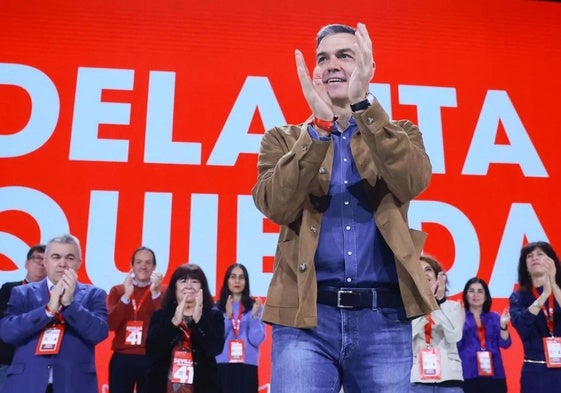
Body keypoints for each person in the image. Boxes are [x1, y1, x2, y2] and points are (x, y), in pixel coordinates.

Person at [251, 22, 437, 393]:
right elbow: (274, 204)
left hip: (383, 318)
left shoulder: (400, 132)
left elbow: (412, 180)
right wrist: (319, 129)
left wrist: (363, 106)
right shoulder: (283, 139)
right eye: (324, 58)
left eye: (344, 56)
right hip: (306, 320)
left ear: (368, 68)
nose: (331, 64)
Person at [0, 234, 108, 393]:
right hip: (27, 383)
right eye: (56, 257)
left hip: (74, 383)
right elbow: (8, 333)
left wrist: (70, 305)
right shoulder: (22, 293)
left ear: (79, 263)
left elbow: (98, 333)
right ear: (45, 262)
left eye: (70, 258)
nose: (62, 263)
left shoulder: (94, 294)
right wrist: (47, 310)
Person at [142, 263, 225, 393]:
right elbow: (153, 351)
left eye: (195, 281)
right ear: (174, 287)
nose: (189, 286)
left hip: (203, 387)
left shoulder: (213, 316)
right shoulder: (161, 316)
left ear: (202, 287)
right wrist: (174, 323)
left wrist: (199, 322)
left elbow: (214, 349)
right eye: (183, 281)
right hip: (163, 386)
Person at [107, 246, 165, 393]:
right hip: (122, 357)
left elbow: (165, 326)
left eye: (148, 262)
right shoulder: (118, 290)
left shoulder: (163, 292)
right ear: (131, 266)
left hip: (151, 357)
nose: (143, 266)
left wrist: (155, 295)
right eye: (139, 262)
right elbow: (111, 324)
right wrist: (126, 297)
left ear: (154, 267)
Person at [509, 241, 561, 392]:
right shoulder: (518, 297)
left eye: (540, 254)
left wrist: (553, 285)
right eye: (529, 256)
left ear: (551, 262)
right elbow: (521, 326)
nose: (534, 258)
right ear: (525, 267)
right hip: (535, 371)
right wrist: (544, 295)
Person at [410, 255, 464, 392]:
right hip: (417, 380)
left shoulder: (453, 307)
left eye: (428, 269)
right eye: (419, 270)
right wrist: (425, 303)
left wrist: (438, 303)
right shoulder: (408, 309)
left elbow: (454, 336)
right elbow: (408, 336)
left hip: (449, 379)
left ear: (437, 277)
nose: (424, 274)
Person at [0, 244, 46, 390]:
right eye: (36, 258)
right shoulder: (9, 288)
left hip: (40, 363)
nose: (40, 263)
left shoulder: (54, 294)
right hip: (8, 360)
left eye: (45, 260)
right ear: (26, 263)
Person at [215, 263, 265, 393]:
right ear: (227, 280)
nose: (237, 281)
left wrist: (254, 317)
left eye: (241, 277)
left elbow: (257, 340)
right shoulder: (216, 308)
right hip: (222, 365)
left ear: (246, 282)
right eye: (233, 277)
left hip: (247, 366)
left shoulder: (255, 307)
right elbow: (217, 341)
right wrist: (227, 315)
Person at [458, 277, 511, 393]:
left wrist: (503, 325)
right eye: (471, 291)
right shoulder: (459, 317)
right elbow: (456, 345)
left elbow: (505, 343)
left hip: (495, 375)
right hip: (468, 375)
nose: (475, 295)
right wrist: (460, 324)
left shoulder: (494, 317)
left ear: (486, 296)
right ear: (466, 295)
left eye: (480, 291)